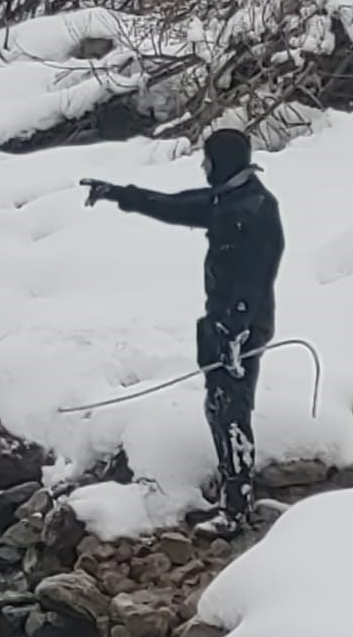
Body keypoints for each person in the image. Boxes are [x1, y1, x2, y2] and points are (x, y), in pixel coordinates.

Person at [80, 129, 284, 534]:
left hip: (239, 330)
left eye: (206, 160)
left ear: (221, 162)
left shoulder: (252, 210)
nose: (202, 166)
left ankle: (236, 509)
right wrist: (119, 193)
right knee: (219, 406)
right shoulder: (229, 198)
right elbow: (177, 205)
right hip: (221, 325)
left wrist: (235, 333)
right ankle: (233, 494)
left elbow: (255, 280)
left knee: (231, 410)